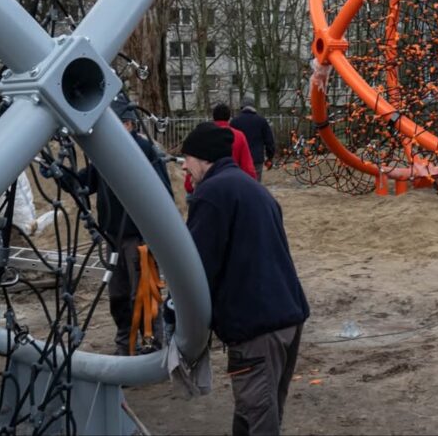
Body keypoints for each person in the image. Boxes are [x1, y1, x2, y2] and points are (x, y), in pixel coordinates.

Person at [180, 121, 309, 435]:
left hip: (257, 327)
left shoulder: (211, 194)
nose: (184, 165)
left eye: (187, 158)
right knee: (257, 410)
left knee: (260, 418)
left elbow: (194, 267)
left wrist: (180, 316)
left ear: (204, 158)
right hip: (287, 316)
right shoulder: (252, 188)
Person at [56, 91, 171, 355]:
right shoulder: (104, 154)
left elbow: (163, 193)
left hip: (138, 237)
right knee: (119, 296)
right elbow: (86, 182)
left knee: (143, 294)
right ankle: (126, 346)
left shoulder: (142, 151)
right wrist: (63, 173)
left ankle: (153, 346)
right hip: (113, 237)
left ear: (128, 124)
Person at [183, 103, 256, 194]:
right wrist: (251, 184)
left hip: (206, 187)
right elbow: (247, 165)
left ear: (213, 117)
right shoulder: (239, 136)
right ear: (229, 118)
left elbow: (194, 161)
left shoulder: (203, 135)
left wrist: (189, 185)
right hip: (233, 186)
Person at [230, 96, 276, 181]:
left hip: (239, 159)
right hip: (256, 158)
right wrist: (270, 157)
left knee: (240, 183)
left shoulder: (234, 122)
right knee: (255, 183)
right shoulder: (261, 121)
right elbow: (269, 141)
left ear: (242, 107)